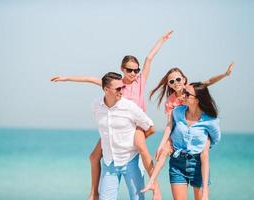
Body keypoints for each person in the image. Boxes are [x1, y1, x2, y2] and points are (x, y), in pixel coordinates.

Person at [51, 30, 173, 200]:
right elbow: (89, 79)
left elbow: (149, 58)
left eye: (136, 70)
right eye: (130, 70)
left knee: (143, 151)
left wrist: (161, 40)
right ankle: (94, 192)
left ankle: (156, 189)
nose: (134, 73)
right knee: (94, 156)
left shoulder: (140, 81)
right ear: (122, 69)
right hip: (116, 127)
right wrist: (66, 78)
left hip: (136, 125)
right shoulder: (116, 84)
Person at [141, 62, 234, 198]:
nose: (176, 83)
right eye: (172, 81)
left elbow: (208, 82)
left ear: (184, 79)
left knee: (204, 152)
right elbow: (169, 125)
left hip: (196, 138)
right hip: (178, 134)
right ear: (169, 85)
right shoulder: (172, 102)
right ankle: (152, 183)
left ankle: (203, 191)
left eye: (178, 79)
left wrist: (225, 74)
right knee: (164, 150)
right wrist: (163, 143)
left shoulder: (192, 89)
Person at [92, 72, 155, 200]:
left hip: (130, 160)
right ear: (106, 89)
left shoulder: (129, 107)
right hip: (109, 162)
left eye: (123, 87)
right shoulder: (96, 106)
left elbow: (150, 127)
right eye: (118, 88)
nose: (122, 91)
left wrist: (137, 142)